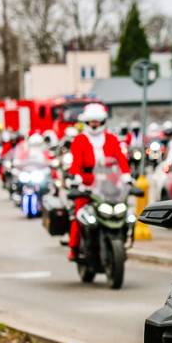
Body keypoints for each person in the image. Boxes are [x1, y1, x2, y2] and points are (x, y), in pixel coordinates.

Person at [67, 103, 131, 261]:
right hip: (87, 185)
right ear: (86, 122)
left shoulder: (111, 139)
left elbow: (121, 160)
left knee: (124, 211)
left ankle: (122, 239)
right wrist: (76, 179)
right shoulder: (79, 140)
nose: (94, 124)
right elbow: (75, 164)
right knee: (79, 215)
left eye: (97, 121)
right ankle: (74, 247)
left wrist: (127, 177)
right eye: (91, 121)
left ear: (103, 122)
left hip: (109, 185)